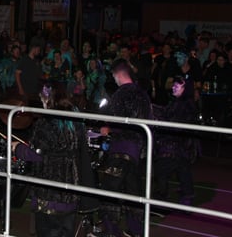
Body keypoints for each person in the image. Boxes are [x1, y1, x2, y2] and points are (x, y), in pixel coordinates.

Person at [12, 87, 95, 237]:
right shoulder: (75, 121)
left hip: (49, 193)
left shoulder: (46, 123)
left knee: (48, 231)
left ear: (48, 100)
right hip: (70, 189)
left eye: (42, 100)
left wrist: (17, 148)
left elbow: (36, 154)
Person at [97, 58, 153, 237]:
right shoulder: (143, 94)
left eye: (114, 76)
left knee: (110, 188)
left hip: (121, 147)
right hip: (137, 149)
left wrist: (107, 128)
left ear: (118, 75)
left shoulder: (120, 95)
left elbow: (115, 120)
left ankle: (111, 230)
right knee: (132, 189)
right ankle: (136, 230)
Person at [153, 76, 199, 208]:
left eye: (177, 86)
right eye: (173, 85)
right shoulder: (177, 102)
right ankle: (186, 195)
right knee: (182, 170)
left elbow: (177, 122)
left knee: (162, 169)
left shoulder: (186, 105)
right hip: (179, 143)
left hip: (176, 143)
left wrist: (160, 118)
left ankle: (162, 197)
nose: (173, 87)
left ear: (185, 89)